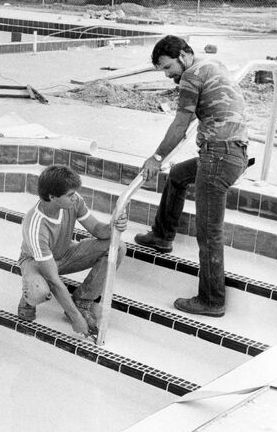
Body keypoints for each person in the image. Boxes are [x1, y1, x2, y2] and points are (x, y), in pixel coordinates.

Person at [135, 35, 249, 317]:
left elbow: (180, 123)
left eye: (167, 67)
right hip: (234, 153)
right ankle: (162, 236)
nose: (167, 74)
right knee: (178, 175)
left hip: (218, 157)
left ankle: (212, 300)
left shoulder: (190, 76)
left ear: (184, 56)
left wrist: (156, 157)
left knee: (209, 231)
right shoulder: (212, 65)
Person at [17, 164, 127, 337]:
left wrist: (113, 226)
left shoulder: (74, 201)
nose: (74, 197)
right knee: (39, 290)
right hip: (36, 263)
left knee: (117, 246)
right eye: (70, 195)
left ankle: (82, 302)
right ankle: (28, 297)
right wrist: (76, 319)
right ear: (52, 197)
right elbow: (53, 280)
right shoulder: (35, 226)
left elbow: (97, 229)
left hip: (64, 253)